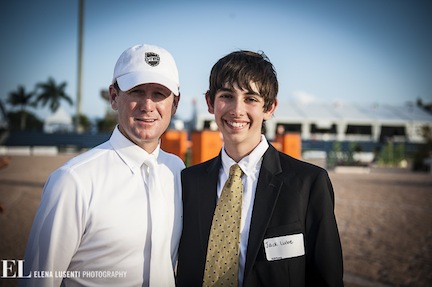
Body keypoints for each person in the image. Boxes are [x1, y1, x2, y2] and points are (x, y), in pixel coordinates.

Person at [21, 44, 185, 287]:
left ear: (175, 103)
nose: (148, 105)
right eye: (137, 91)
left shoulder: (177, 170)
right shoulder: (73, 180)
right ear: (114, 96)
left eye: (159, 94)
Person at [176, 50, 344, 286]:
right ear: (209, 102)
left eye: (251, 99)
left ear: (270, 107)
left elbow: (327, 278)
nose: (237, 110)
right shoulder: (188, 181)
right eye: (226, 95)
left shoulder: (307, 183)